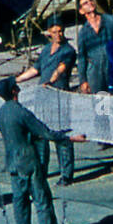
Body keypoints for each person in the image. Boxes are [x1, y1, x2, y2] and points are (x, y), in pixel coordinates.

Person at [0, 77, 70, 224]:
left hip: (12, 161)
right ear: (14, 91)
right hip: (28, 160)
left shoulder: (0, 113)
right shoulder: (21, 112)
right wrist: (67, 138)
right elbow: (45, 133)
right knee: (41, 199)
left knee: (19, 201)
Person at [15, 15, 76, 184]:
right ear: (49, 32)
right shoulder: (45, 50)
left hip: (59, 95)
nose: (59, 35)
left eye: (61, 31)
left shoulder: (68, 51)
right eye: (55, 32)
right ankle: (42, 169)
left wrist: (51, 81)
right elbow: (35, 70)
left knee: (61, 134)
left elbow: (61, 69)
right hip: (42, 97)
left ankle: (66, 174)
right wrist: (17, 80)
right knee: (41, 135)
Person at [76, 0, 113, 94]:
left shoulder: (111, 21)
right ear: (81, 11)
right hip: (95, 74)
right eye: (85, 3)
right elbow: (82, 58)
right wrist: (83, 81)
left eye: (90, 1)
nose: (90, 3)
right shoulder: (83, 33)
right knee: (99, 104)